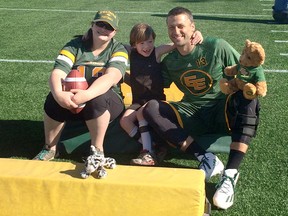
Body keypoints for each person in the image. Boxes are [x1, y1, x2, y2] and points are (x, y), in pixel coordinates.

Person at [142, 7, 261, 210]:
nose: (176, 31)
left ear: (193, 26)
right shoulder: (170, 61)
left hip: (221, 107)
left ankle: (230, 174)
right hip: (192, 111)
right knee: (151, 108)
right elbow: (149, 77)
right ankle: (205, 158)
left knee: (249, 95)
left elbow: (249, 71)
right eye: (171, 27)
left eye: (181, 26)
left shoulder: (216, 46)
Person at [33, 10, 128, 162]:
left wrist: (86, 94)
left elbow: (112, 77)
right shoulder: (75, 46)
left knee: (98, 97)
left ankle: (97, 150)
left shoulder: (118, 49)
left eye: (108, 27)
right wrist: (59, 93)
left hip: (108, 102)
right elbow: (58, 72)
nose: (103, 29)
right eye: (100, 24)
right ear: (92, 25)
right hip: (76, 100)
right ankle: (49, 148)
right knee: (53, 97)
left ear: (115, 32)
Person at [120, 23, 203, 166]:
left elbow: (176, 43)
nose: (147, 46)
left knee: (141, 114)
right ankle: (153, 145)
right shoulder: (130, 53)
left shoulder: (156, 52)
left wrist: (196, 35)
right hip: (138, 100)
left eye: (150, 41)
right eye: (142, 43)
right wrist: (89, 36)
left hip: (155, 102)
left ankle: (147, 151)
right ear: (134, 44)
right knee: (124, 121)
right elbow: (111, 44)